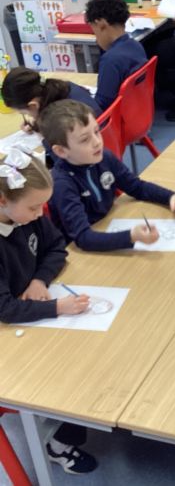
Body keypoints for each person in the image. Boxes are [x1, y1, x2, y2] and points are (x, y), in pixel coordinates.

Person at [0, 149, 97, 474]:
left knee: (87, 353)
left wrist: (40, 279)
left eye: (43, 205)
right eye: (33, 207)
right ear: (2, 200)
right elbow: (5, 308)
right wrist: (57, 307)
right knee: (67, 369)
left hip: (29, 312)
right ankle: (59, 445)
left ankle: (76, 418)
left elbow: (57, 247)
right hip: (9, 334)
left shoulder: (27, 216)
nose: (41, 213)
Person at [39, 99, 175, 252]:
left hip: (107, 224)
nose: (97, 142)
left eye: (97, 131)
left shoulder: (105, 157)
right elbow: (83, 238)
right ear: (61, 151)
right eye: (84, 140)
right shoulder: (62, 183)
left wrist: (171, 196)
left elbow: (137, 187)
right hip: (82, 253)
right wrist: (131, 237)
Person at [1, 67, 102, 166]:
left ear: (33, 105)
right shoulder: (64, 87)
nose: (29, 116)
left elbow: (61, 162)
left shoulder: (60, 119)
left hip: (89, 159)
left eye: (25, 113)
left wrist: (42, 135)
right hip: (103, 139)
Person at [85, 0, 148, 110]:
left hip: (116, 116)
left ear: (101, 24)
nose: (96, 38)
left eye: (94, 32)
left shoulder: (110, 60)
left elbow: (101, 106)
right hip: (136, 111)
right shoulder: (136, 46)